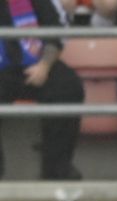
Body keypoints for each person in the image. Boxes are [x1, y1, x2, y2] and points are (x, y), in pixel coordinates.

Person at [0, 0, 84, 180]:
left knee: (68, 86)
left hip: (36, 64)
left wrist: (45, 65)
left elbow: (54, 32)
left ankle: (57, 171)